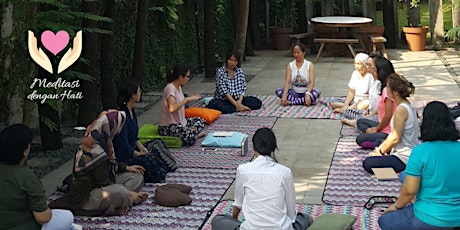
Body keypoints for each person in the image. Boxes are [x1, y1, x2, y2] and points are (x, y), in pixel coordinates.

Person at [378, 101, 460, 230]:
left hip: (429, 218)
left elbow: (410, 191)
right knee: (406, 175)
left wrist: (397, 206)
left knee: (385, 221)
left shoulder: (421, 151)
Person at [211, 128, 314, 230]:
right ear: (273, 148)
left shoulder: (243, 170)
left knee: (218, 220)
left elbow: (238, 203)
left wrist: (234, 221)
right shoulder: (285, 172)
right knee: (306, 218)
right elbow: (291, 213)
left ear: (253, 148)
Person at [70, 110, 148, 216]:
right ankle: (126, 201)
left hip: (102, 184)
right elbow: (104, 182)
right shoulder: (94, 150)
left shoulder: (106, 142)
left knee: (137, 175)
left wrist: (126, 168)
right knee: (119, 192)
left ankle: (124, 200)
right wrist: (130, 193)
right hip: (87, 197)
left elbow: (110, 165)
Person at [0, 124, 75, 229]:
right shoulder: (26, 176)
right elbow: (43, 218)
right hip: (23, 225)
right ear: (25, 151)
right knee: (67, 216)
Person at [114, 79, 175, 182]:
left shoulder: (132, 111)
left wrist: (141, 147)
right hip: (126, 158)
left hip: (134, 149)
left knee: (157, 143)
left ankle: (165, 166)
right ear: (132, 95)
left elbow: (134, 137)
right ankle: (160, 171)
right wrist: (140, 154)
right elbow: (123, 147)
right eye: (138, 91)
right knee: (149, 159)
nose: (140, 93)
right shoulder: (122, 116)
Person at [362, 73, 418, 173]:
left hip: (404, 157)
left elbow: (395, 138)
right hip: (403, 150)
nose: (386, 89)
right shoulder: (407, 104)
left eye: (388, 87)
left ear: (395, 92)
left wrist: (380, 151)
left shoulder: (401, 110)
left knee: (368, 163)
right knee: (380, 142)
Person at [354, 55, 397, 149]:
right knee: (360, 122)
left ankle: (381, 142)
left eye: (370, 65)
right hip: (383, 125)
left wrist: (377, 129)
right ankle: (376, 138)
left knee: (360, 139)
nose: (367, 68)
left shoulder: (387, 90)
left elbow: (388, 115)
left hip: (388, 131)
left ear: (379, 69)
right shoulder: (380, 84)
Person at [158, 64, 206, 145]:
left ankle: (191, 132)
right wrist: (187, 99)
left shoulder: (178, 87)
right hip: (169, 126)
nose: (188, 79)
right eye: (187, 76)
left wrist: (190, 98)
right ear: (180, 77)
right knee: (189, 137)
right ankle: (193, 134)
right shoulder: (170, 88)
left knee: (201, 120)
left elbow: (180, 103)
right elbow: (171, 108)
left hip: (181, 123)